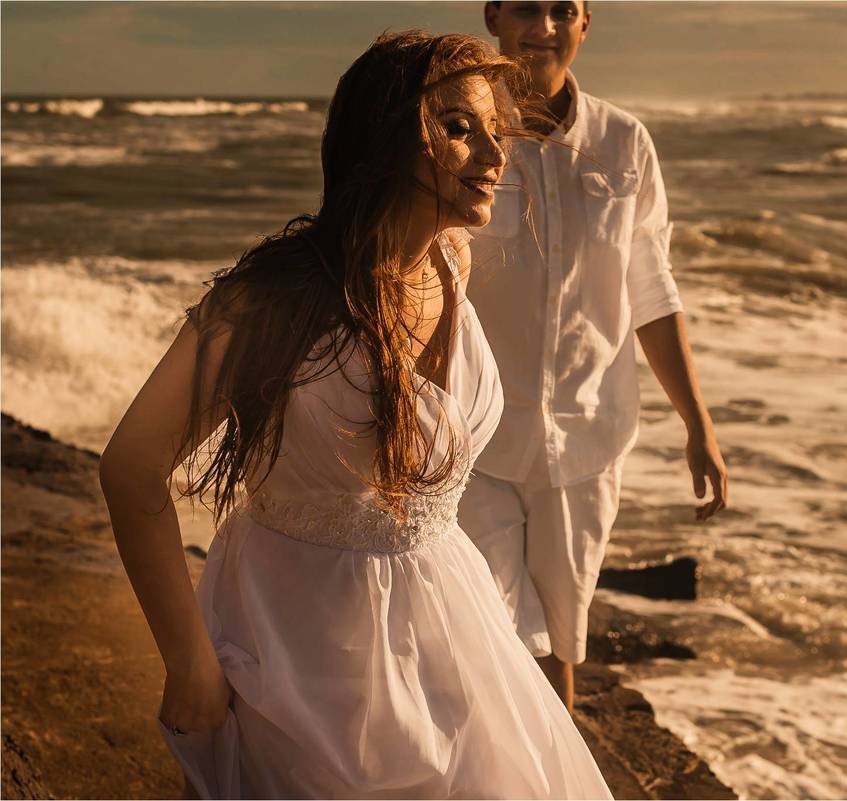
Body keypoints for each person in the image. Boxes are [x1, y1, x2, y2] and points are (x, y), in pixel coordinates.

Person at [99, 30, 612, 800]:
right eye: (457, 127)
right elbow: (131, 466)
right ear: (385, 133)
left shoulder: (450, 258)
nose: (492, 156)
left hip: (446, 619)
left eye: (493, 131)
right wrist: (190, 664)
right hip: (298, 650)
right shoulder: (275, 297)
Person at [461, 0, 729, 712]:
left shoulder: (623, 142)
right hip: (472, 436)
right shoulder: (459, 130)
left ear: (586, 24)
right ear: (492, 15)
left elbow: (651, 289)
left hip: (587, 439)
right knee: (483, 632)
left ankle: (557, 774)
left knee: (560, 638)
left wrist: (697, 424)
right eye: (525, 8)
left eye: (562, 10)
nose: (542, 27)